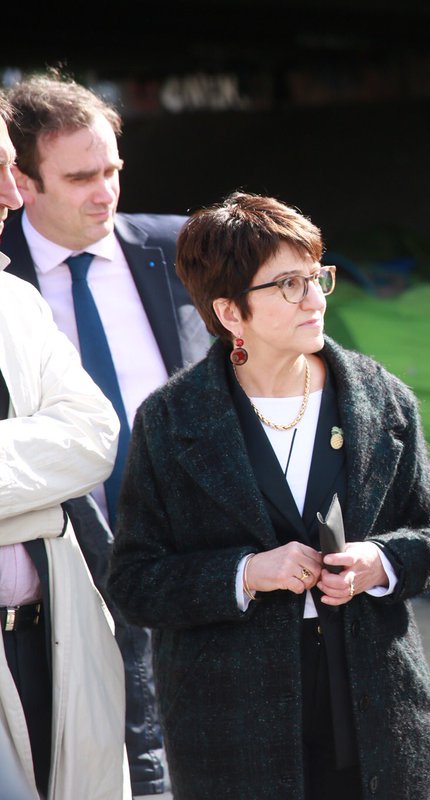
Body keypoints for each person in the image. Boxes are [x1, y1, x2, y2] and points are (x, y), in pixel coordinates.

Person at [106, 193, 430, 800]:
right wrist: (245, 573)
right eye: (288, 285)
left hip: (375, 708)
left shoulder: (382, 398)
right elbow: (136, 583)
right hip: (232, 725)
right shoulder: (171, 420)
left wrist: (382, 563)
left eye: (317, 276)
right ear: (230, 312)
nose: (315, 299)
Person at [0, 72, 208, 798]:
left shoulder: (182, 251)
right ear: (21, 179)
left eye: (113, 169)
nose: (105, 191)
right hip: (63, 574)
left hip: (192, 556)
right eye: (81, 176)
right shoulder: (7, 284)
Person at [0, 97, 130, 800]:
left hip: (59, 632)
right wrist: (38, 502)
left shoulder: (15, 303)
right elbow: (64, 452)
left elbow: (93, 438)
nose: (11, 193)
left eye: (12, 169)